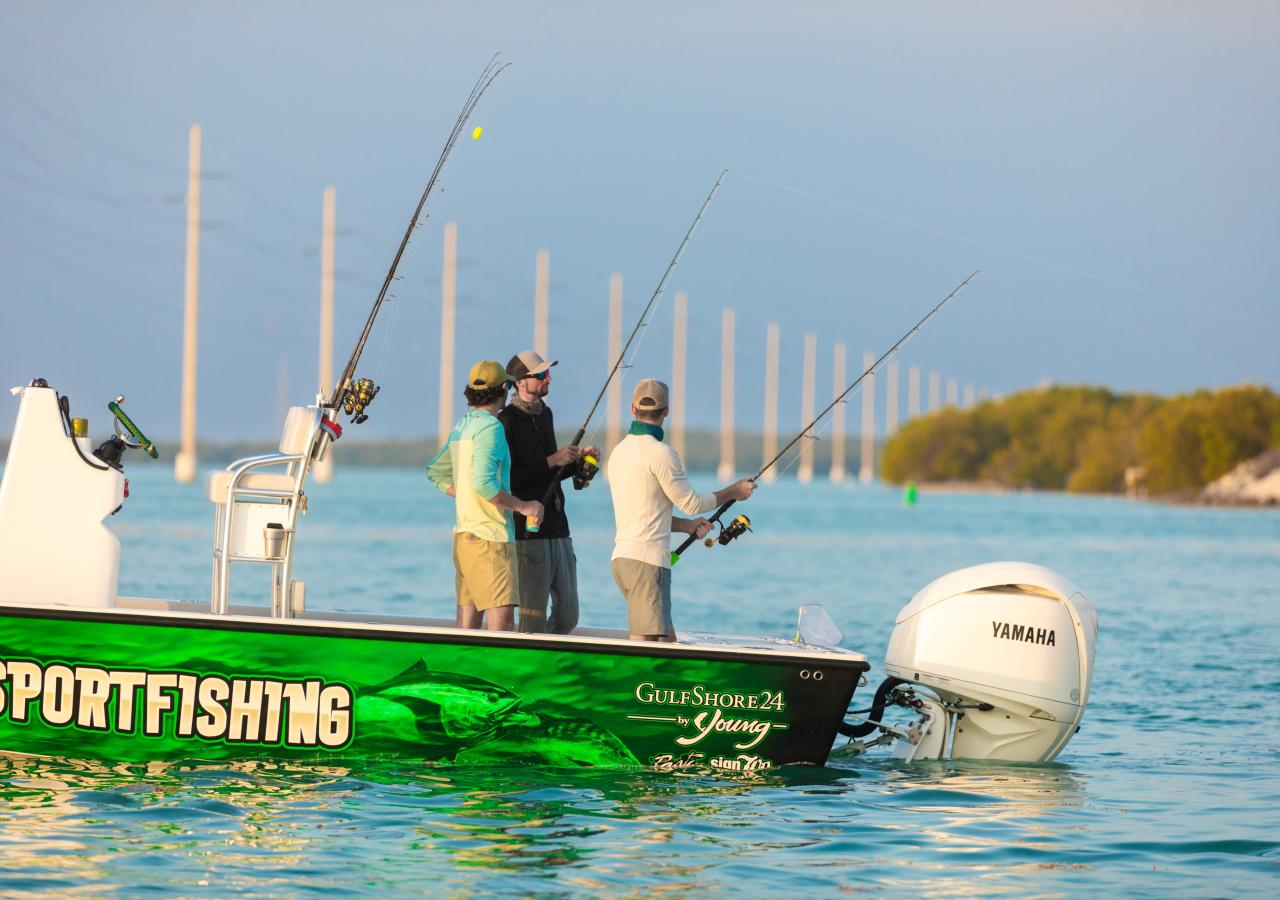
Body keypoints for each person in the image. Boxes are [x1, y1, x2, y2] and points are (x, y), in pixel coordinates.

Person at [607, 378, 756, 642]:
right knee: (646, 645)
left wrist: (686, 526)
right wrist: (734, 491)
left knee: (666, 640)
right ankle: (640, 685)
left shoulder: (619, 451)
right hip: (646, 563)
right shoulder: (661, 453)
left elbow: (645, 512)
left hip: (622, 559)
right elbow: (692, 503)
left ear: (632, 409)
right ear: (666, 411)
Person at [427, 360, 544, 632]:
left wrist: (463, 494)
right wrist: (524, 507)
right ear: (504, 388)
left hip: (464, 539)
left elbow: (436, 472)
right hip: (491, 540)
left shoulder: (463, 425)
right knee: (501, 629)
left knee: (466, 628)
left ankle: (460, 674)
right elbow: (485, 485)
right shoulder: (492, 428)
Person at [497, 350, 600, 634]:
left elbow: (551, 476)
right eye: (541, 375)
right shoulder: (506, 420)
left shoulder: (547, 414)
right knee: (532, 620)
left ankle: (551, 661)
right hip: (529, 534)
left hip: (559, 528)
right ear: (520, 382)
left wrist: (577, 463)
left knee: (569, 616)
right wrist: (552, 460)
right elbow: (511, 481)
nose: (548, 378)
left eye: (547, 373)